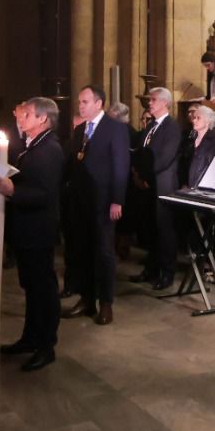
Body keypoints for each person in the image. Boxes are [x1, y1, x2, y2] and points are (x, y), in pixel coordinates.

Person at [0, 97, 66, 372]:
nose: (20, 119)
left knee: (43, 288)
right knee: (31, 287)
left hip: (39, 228)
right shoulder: (32, 145)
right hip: (26, 227)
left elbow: (46, 193)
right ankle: (30, 337)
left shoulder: (49, 149)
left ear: (42, 120)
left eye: (26, 115)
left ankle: (46, 345)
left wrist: (13, 191)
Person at [63, 85, 130, 324]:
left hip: (103, 202)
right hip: (80, 200)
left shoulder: (115, 129)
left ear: (98, 103)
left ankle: (106, 303)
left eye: (85, 102)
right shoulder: (80, 129)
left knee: (103, 253)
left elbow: (120, 166)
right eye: (79, 102)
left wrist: (117, 200)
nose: (80, 106)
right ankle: (87, 299)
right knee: (82, 250)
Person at [134, 87, 180, 290]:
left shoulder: (172, 127)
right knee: (150, 229)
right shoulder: (150, 126)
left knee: (165, 231)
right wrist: (137, 174)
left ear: (164, 103)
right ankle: (151, 269)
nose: (149, 103)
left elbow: (164, 158)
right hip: (147, 184)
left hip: (162, 185)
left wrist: (146, 176)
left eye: (153, 100)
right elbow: (141, 152)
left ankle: (167, 272)